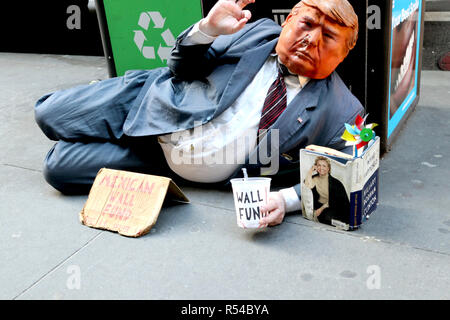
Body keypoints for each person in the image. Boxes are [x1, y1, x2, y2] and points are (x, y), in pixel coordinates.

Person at [34, 0, 364, 228]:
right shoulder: (256, 31)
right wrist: (208, 29)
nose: (310, 39)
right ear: (288, 20)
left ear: (344, 55)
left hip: (167, 162)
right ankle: (110, 124)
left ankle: (117, 142)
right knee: (47, 113)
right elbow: (180, 66)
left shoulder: (345, 112)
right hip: (156, 101)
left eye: (329, 36)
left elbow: (355, 173)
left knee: (57, 169)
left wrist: (287, 201)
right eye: (306, 24)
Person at [304, 156, 350, 226]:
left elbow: (336, 200)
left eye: (324, 166)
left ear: (328, 168)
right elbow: (307, 185)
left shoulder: (335, 183)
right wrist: (311, 170)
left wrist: (320, 209)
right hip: (321, 206)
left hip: (334, 206)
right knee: (322, 217)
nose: (321, 168)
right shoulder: (314, 178)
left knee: (328, 217)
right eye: (319, 165)